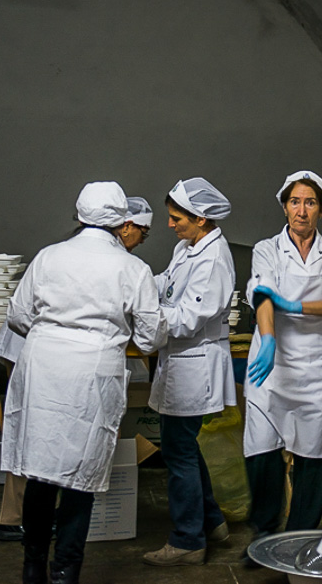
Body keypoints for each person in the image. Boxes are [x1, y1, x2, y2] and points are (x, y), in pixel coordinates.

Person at [1, 182, 168, 584]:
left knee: (39, 472)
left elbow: (19, 316)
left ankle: (32, 566)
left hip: (42, 369)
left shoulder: (48, 257)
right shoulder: (132, 268)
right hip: (92, 375)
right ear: (122, 221)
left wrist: (54, 332)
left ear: (78, 216)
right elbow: (151, 337)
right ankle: (65, 573)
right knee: (80, 479)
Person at [243, 170, 322, 540]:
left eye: (310, 202)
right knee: (262, 452)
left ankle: (298, 540)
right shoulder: (267, 249)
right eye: (295, 201)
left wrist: (294, 305)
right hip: (273, 367)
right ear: (284, 207)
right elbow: (263, 295)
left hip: (321, 368)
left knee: (316, 454)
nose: (302, 210)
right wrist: (269, 338)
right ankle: (263, 535)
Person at [142, 177, 237, 567]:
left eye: (176, 217)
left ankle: (187, 540)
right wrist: (132, 282)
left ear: (201, 219)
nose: (170, 224)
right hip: (179, 363)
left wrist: (147, 318)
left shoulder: (214, 259)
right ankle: (212, 521)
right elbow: (164, 285)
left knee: (178, 451)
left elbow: (189, 319)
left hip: (195, 364)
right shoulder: (188, 247)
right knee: (183, 446)